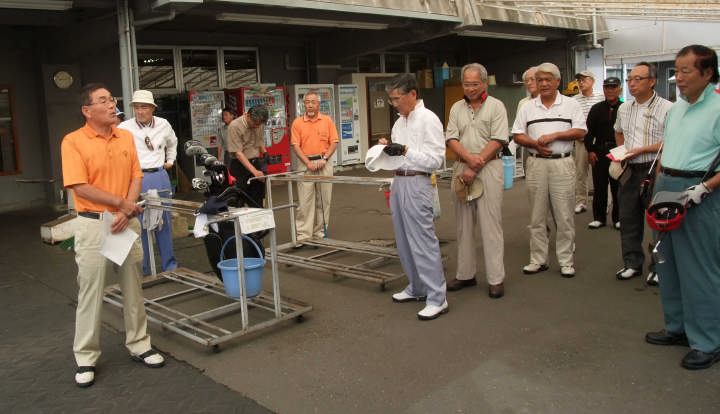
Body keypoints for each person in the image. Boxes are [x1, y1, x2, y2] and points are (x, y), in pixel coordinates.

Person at [61, 83, 165, 388]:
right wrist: (121, 204)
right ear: (87, 110)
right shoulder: (73, 141)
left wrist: (126, 210)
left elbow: (136, 175)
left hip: (125, 222)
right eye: (103, 100)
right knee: (91, 292)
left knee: (133, 287)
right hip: (94, 224)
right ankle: (86, 357)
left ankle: (140, 344)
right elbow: (80, 186)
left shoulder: (125, 136)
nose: (111, 105)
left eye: (112, 100)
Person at [645, 45, 720, 370]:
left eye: (686, 71)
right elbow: (668, 150)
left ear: (708, 72)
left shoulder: (718, 107)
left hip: (700, 190)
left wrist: (705, 188)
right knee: (667, 262)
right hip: (667, 186)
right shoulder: (676, 109)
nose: (679, 77)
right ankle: (677, 327)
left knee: (699, 268)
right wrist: (658, 186)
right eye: (677, 70)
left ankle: (708, 341)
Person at [378, 74, 447, 320]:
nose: (394, 104)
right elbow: (399, 156)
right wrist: (387, 149)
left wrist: (406, 150)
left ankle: (437, 297)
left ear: (413, 94)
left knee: (423, 240)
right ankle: (417, 287)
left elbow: (436, 160)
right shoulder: (399, 123)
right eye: (391, 99)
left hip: (418, 181)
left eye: (397, 98)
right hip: (399, 180)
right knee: (404, 239)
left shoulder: (429, 119)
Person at [512, 62, 586, 278]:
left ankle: (566, 260)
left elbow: (581, 131)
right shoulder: (527, 107)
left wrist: (556, 135)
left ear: (557, 81)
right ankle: (538, 259)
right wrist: (534, 144)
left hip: (562, 163)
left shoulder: (571, 105)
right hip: (536, 164)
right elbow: (517, 134)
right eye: (539, 80)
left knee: (564, 215)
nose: (543, 84)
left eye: (547, 79)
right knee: (536, 216)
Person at [445, 63, 508, 299]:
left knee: (490, 225)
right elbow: (451, 138)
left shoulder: (496, 106)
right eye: (466, 84)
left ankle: (496, 279)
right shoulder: (456, 107)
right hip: (462, 167)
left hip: (489, 167)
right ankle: (465, 274)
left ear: (484, 83)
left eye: (474, 84)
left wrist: (475, 164)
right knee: (463, 225)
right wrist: (468, 161)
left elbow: (498, 139)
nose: (470, 88)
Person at [613, 62, 672, 284]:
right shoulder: (624, 108)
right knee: (628, 218)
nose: (632, 84)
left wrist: (642, 149)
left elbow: (670, 141)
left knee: (658, 220)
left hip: (655, 167)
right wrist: (622, 152)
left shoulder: (667, 108)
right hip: (630, 169)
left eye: (638, 79)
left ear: (652, 81)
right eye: (629, 79)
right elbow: (618, 131)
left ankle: (658, 267)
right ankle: (632, 263)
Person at [118, 90, 178, 276]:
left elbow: (173, 142)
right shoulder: (124, 127)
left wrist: (170, 160)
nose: (140, 111)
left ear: (152, 108)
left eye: (144, 107)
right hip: (136, 177)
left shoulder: (163, 124)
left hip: (159, 174)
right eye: (136, 107)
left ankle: (170, 265)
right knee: (138, 222)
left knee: (164, 221)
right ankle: (143, 267)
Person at [290, 91, 338, 242]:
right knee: (304, 201)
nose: (310, 105)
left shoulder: (327, 120)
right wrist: (308, 162)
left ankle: (320, 233)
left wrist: (324, 159)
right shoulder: (297, 123)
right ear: (303, 104)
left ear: (318, 104)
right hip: (305, 163)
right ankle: (303, 235)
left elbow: (334, 142)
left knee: (324, 200)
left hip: (324, 162)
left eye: (313, 102)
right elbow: (296, 146)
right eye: (307, 102)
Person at [585, 77, 622, 229]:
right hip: (599, 150)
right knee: (599, 186)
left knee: (617, 186)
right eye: (607, 87)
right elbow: (588, 132)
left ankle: (618, 218)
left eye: (614, 87)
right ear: (604, 89)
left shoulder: (625, 108)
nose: (610, 90)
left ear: (619, 89)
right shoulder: (596, 109)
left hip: (618, 151)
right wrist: (590, 150)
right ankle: (599, 218)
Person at [573, 71, 605, 214]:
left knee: (602, 173)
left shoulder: (601, 97)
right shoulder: (574, 100)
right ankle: (581, 202)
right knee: (580, 173)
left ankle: (605, 202)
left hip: (598, 142)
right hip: (581, 141)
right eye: (579, 80)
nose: (581, 83)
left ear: (592, 81)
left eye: (584, 80)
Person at [226, 105, 269, 208]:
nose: (257, 126)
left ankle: (258, 217)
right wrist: (255, 172)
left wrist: (264, 152)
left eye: (260, 124)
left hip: (255, 162)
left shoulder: (259, 123)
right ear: (248, 116)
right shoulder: (234, 126)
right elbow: (238, 153)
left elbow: (260, 140)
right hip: (239, 165)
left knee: (257, 199)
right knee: (238, 199)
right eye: (256, 124)